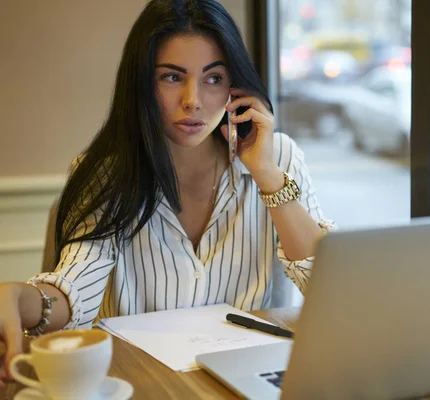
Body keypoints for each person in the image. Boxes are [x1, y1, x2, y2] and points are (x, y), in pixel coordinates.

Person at [0, 0, 334, 385]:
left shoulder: (279, 158)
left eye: (213, 78)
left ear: (235, 87)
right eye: (172, 77)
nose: (192, 99)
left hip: (250, 384)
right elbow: (73, 289)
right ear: (142, 83)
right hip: (145, 385)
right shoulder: (107, 174)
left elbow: (326, 291)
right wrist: (19, 299)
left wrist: (266, 173)